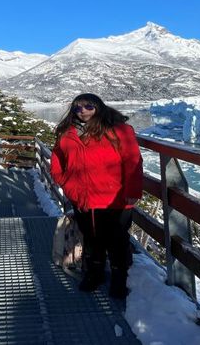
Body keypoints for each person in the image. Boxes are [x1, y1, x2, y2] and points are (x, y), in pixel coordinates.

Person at [50, 93, 143, 299]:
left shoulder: (119, 129)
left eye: (88, 106)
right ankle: (95, 273)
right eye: (77, 108)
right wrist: (62, 180)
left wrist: (132, 191)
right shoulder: (67, 132)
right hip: (82, 196)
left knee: (117, 240)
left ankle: (119, 279)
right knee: (91, 238)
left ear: (99, 107)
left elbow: (133, 160)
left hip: (114, 196)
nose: (82, 111)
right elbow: (57, 155)